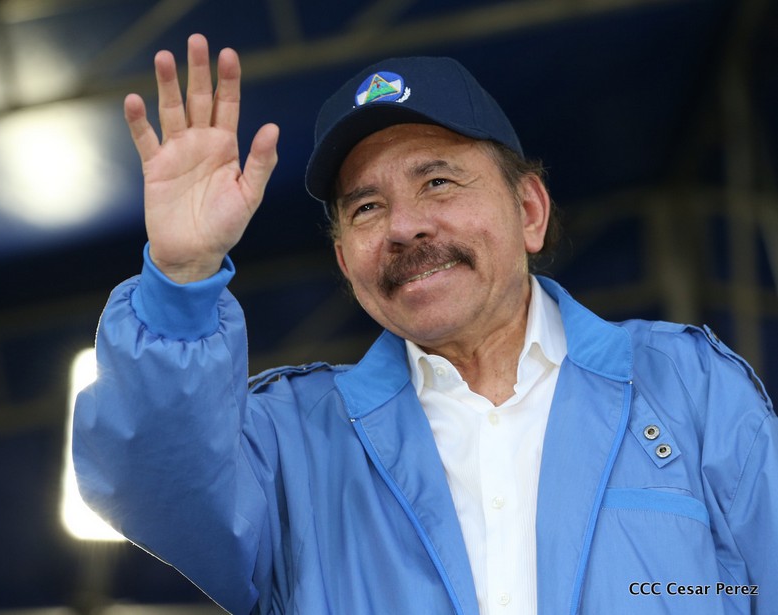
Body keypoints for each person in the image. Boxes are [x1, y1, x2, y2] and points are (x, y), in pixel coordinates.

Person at [73, 33, 778, 615]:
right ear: (345, 262)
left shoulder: (688, 387)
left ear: (529, 211)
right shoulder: (288, 443)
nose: (404, 227)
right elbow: (152, 482)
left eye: (437, 181)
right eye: (366, 208)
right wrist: (181, 278)